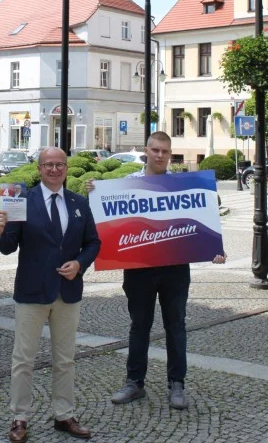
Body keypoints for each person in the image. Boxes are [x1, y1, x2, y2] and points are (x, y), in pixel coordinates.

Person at [86, 131, 225, 410]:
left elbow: (202, 224)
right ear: (146, 151)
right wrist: (96, 194)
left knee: (176, 326)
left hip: (175, 268)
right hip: (140, 269)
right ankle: (134, 382)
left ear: (169, 154)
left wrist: (214, 249)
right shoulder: (127, 185)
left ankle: (177, 384)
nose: (160, 155)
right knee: (140, 326)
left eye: (165, 151)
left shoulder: (184, 185)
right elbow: (111, 222)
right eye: (155, 150)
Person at [0, 146, 101, 443]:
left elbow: (93, 242)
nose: (54, 170)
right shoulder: (21, 201)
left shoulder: (79, 203)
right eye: (48, 165)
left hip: (67, 291)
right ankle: (19, 417)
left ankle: (64, 415)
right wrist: (0, 230)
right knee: (23, 360)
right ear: (39, 169)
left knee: (65, 359)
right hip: (32, 291)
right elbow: (8, 247)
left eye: (60, 165)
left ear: (66, 168)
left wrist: (80, 264)